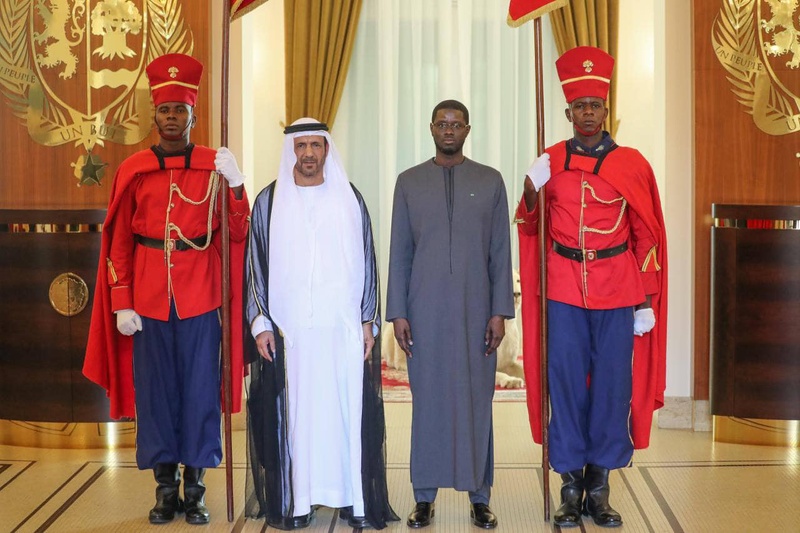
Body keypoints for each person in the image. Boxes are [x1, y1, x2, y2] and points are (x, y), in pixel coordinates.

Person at [83, 53, 250, 526]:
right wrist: (122, 302)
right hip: (149, 302)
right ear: (153, 117)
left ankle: (195, 490)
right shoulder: (134, 169)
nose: (172, 118)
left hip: (199, 298)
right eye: (165, 110)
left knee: (199, 393)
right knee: (155, 395)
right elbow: (117, 241)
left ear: (194, 115)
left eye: (181, 110)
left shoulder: (213, 167)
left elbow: (237, 234)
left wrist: (237, 188)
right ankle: (163, 489)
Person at [516, 46, 668, 528]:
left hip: (618, 290)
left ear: (607, 110)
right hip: (563, 288)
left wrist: (646, 298)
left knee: (610, 387)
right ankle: (568, 484)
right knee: (564, 387)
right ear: (567, 112)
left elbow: (647, 233)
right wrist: (529, 192)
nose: (587, 113)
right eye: (579, 106)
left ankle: (599, 487)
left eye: (595, 106)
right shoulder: (550, 160)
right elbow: (530, 225)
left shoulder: (633, 163)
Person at [243, 118, 398, 530]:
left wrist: (368, 321)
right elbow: (255, 266)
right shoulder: (269, 201)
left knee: (344, 413)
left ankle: (351, 499)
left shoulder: (349, 197)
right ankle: (300, 501)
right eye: (301, 145)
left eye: (316, 144)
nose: (309, 153)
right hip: (290, 333)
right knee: (298, 418)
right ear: (291, 150)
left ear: (327, 148)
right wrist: (260, 323)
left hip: (341, 328)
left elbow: (368, 261)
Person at [386, 100, 514, 530]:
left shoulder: (491, 182)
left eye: (456, 124)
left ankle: (480, 496)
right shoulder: (408, 183)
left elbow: (500, 253)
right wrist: (398, 311)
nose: (448, 130)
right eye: (442, 123)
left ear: (467, 130)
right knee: (428, 404)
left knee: (478, 402)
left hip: (478, 312)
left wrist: (499, 311)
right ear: (431, 128)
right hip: (424, 311)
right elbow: (399, 253)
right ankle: (424, 497)